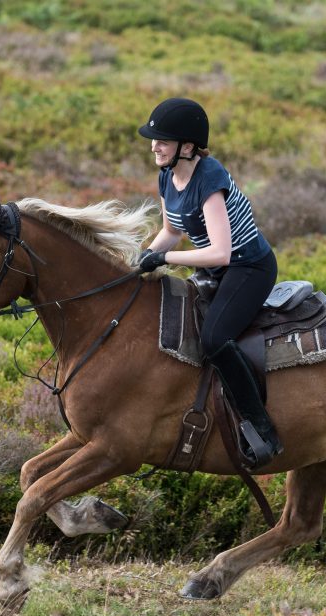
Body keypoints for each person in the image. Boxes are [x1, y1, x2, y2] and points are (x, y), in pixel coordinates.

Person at [136, 97, 282, 469]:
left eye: (162, 141)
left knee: (215, 339)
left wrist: (165, 260)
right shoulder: (168, 175)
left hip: (248, 267)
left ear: (187, 147)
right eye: (154, 140)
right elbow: (171, 232)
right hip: (217, 269)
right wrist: (142, 259)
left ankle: (261, 427)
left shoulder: (209, 181)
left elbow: (220, 252)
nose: (154, 147)